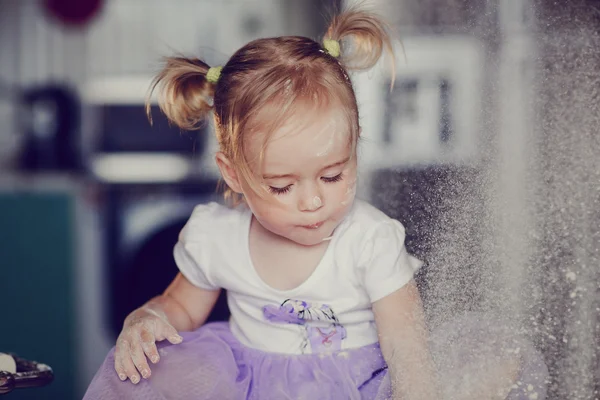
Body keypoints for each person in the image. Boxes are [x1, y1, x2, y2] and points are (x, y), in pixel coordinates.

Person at [84, 6, 548, 400]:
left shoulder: (370, 239)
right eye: (281, 186)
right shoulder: (216, 237)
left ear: (354, 148)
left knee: (489, 363)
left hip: (363, 385)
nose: (312, 201)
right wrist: (149, 317)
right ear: (234, 174)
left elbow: (406, 344)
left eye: (333, 175)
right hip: (252, 385)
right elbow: (180, 308)